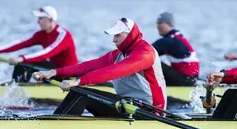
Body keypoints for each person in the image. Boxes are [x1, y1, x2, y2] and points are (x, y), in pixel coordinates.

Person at [33, 18, 166, 118]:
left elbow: (115, 71)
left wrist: (78, 81)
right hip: (127, 104)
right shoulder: (119, 54)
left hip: (150, 111)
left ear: (130, 34)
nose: (114, 40)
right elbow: (90, 65)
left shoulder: (145, 53)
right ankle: (58, 124)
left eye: (117, 35)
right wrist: (54, 72)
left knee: (80, 94)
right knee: (79, 93)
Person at [0, 6, 78, 82]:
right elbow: (21, 43)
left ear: (50, 20)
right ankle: (16, 86)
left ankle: (19, 89)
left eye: (41, 18)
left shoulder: (64, 35)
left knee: (24, 60)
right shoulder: (41, 34)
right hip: (53, 70)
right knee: (23, 63)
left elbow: (47, 52)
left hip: (68, 75)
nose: (38, 21)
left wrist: (22, 59)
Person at [152, 12, 199, 86]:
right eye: (157, 23)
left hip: (186, 82)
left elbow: (144, 52)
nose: (157, 26)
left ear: (169, 24)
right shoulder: (177, 36)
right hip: (191, 80)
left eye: (160, 23)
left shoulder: (170, 41)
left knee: (150, 61)